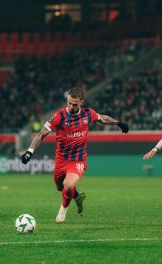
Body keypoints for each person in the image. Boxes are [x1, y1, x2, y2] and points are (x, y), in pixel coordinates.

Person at [21, 86, 129, 223]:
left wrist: (119, 123)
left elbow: (103, 119)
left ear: (81, 102)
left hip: (78, 160)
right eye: (69, 103)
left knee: (68, 185)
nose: (71, 106)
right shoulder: (58, 116)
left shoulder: (88, 114)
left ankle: (63, 210)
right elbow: (42, 133)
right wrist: (29, 152)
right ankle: (77, 197)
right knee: (61, 187)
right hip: (61, 161)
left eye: (75, 104)